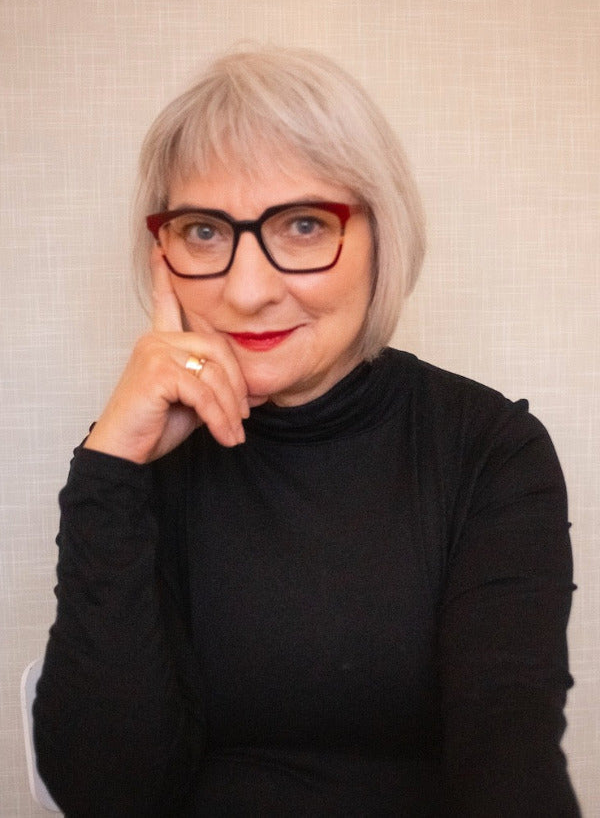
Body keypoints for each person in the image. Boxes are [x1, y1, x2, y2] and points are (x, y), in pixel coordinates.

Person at [33, 46, 580, 816]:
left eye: (300, 224)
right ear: (161, 253)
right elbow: (107, 793)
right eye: (203, 232)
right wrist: (109, 469)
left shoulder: (488, 450)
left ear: (379, 239)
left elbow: (508, 762)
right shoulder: (138, 451)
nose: (248, 290)